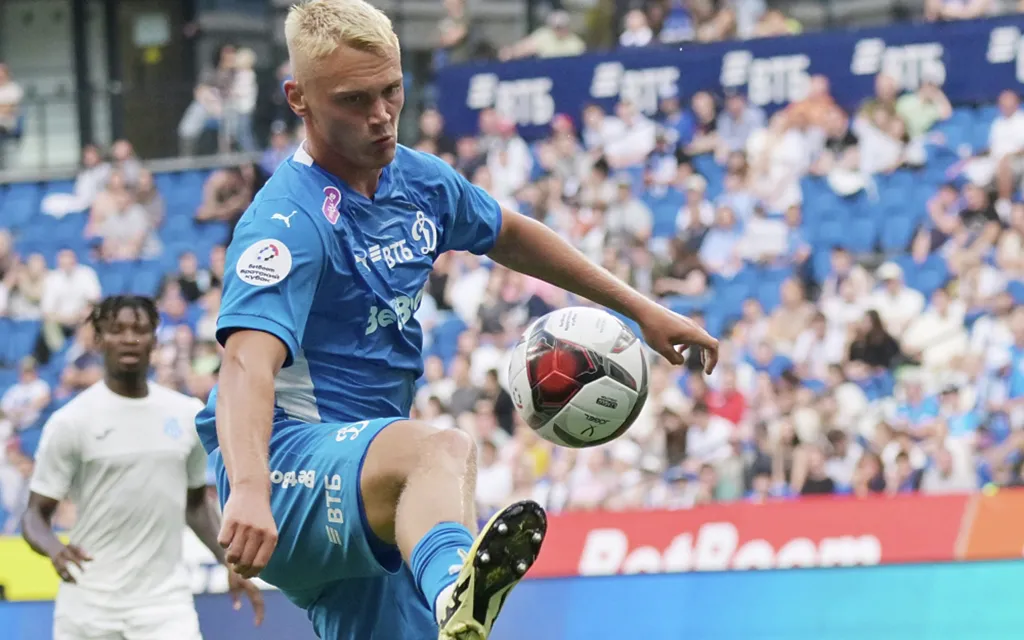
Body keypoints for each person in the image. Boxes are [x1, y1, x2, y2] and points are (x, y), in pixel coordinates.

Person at [195, 2, 719, 640]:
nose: (381, 114)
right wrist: (250, 488)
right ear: (298, 98)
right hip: (283, 472)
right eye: (354, 99)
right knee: (440, 450)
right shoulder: (286, 223)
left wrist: (641, 309)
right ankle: (454, 589)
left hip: (369, 496)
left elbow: (510, 234)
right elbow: (245, 363)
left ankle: (451, 607)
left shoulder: (418, 182)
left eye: (391, 91)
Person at [21, 295, 264, 640]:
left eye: (140, 330)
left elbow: (195, 505)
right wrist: (54, 548)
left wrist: (227, 559)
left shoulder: (185, 414)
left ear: (154, 340)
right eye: (117, 330)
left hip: (165, 608)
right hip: (88, 608)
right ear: (99, 339)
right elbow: (34, 515)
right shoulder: (70, 422)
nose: (130, 338)